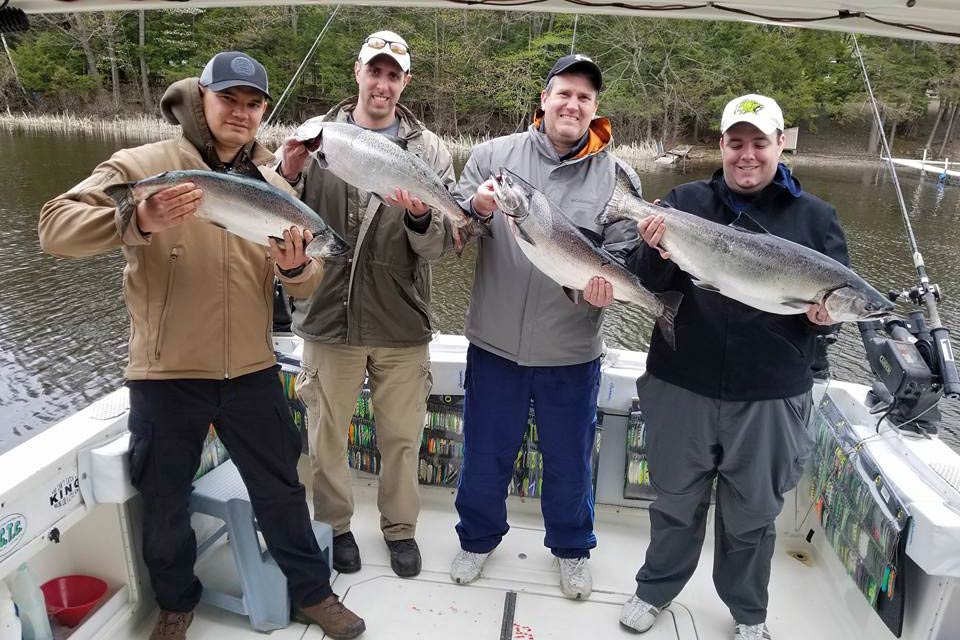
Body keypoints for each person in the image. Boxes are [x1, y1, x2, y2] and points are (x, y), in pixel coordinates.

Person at [38, 51, 365, 640]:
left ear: (264, 111)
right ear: (201, 98)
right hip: (166, 373)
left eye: (253, 104)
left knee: (283, 489)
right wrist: (136, 219)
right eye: (229, 99)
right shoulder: (144, 164)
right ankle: (175, 605)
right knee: (164, 501)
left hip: (251, 369)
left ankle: (314, 593)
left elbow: (309, 284)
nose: (241, 113)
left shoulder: (272, 186)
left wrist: (295, 270)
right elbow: (54, 228)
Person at [620, 94, 849, 640]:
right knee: (674, 500)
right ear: (721, 146)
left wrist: (823, 319)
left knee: (753, 516)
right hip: (681, 381)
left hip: (771, 395)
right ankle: (654, 590)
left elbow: (839, 312)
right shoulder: (681, 202)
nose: (748, 155)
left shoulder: (817, 219)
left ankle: (749, 613)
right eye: (736, 143)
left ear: (780, 146)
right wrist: (653, 249)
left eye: (759, 143)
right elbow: (645, 283)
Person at [449, 54, 641, 600]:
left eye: (584, 97)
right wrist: (478, 209)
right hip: (495, 344)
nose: (572, 104)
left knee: (569, 462)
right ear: (544, 98)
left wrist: (608, 284)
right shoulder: (491, 157)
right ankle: (478, 538)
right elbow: (455, 231)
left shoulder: (619, 178)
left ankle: (573, 548)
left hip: (572, 350)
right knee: (485, 454)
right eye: (563, 93)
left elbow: (626, 257)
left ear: (595, 109)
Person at [278, 30, 454, 579]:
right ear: (357, 72)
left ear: (405, 82)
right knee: (324, 436)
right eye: (374, 72)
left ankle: (399, 529)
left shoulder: (429, 152)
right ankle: (336, 526)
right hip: (328, 319)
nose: (382, 84)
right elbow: (277, 221)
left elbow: (445, 246)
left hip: (402, 321)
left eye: (393, 75)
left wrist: (423, 215)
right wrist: (286, 173)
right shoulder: (315, 140)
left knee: (401, 438)